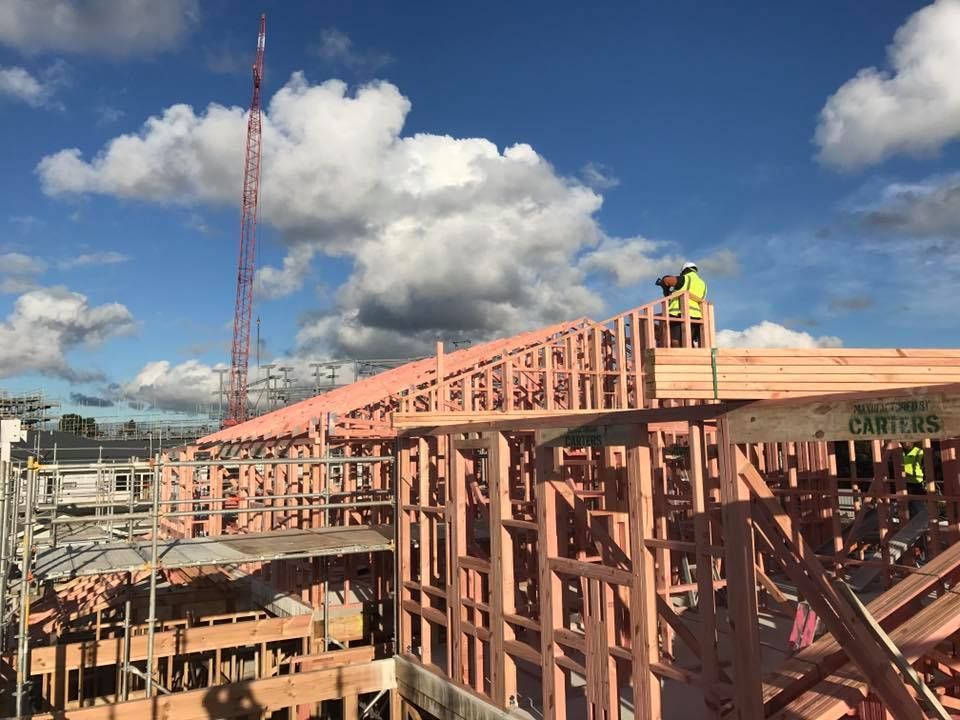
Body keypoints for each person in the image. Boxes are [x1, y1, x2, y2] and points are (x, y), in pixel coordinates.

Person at [657, 262, 708, 347]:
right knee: (688, 340)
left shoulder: (686, 278)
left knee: (675, 340)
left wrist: (664, 283)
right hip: (696, 316)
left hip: (678, 314)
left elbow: (667, 280)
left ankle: (676, 359)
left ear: (684, 270)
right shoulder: (703, 284)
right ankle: (691, 358)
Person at [901, 441, 926, 518]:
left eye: (907, 441)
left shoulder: (919, 452)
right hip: (904, 483)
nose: (905, 443)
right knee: (908, 504)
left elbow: (925, 467)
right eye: (903, 442)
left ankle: (923, 521)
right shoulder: (900, 452)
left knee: (917, 503)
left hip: (916, 482)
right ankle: (911, 521)